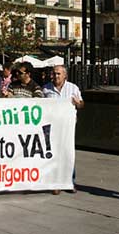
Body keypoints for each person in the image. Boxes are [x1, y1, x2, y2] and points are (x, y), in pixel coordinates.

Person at [43, 65, 83, 195]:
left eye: (58, 74)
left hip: (68, 127)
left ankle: (69, 182)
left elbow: (82, 104)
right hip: (52, 126)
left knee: (68, 152)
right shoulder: (46, 88)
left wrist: (78, 103)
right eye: (54, 74)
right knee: (53, 153)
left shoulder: (73, 88)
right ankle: (56, 183)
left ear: (65, 75)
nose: (55, 76)